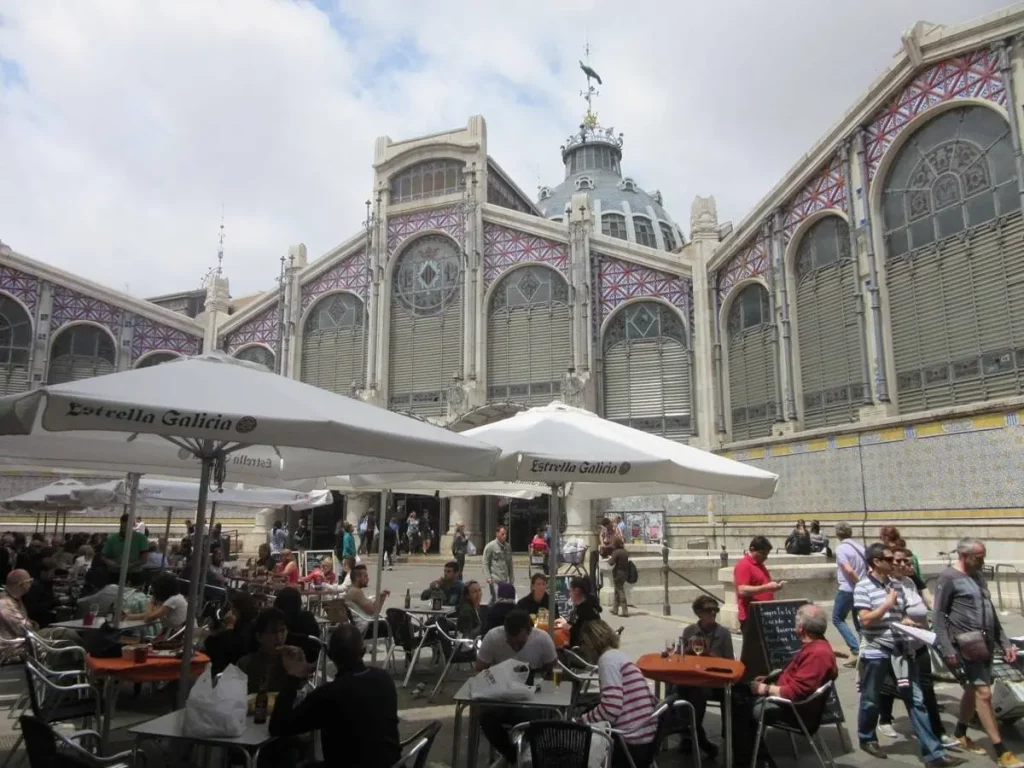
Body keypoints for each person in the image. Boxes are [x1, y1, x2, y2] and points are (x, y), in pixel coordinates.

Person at [854, 542, 963, 767]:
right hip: (877, 651)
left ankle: (933, 753)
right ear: (876, 562)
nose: (894, 562)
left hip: (901, 651)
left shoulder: (897, 585)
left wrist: (908, 622)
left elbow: (900, 614)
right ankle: (867, 737)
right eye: (888, 558)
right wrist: (886, 605)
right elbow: (864, 619)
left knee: (916, 700)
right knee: (871, 699)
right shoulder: (863, 587)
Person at [934, 537, 1023, 767]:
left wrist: (1004, 642)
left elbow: (990, 611)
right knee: (984, 694)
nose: (983, 561)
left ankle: (960, 733)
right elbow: (938, 616)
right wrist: (946, 647)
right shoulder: (948, 578)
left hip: (986, 644)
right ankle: (1001, 750)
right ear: (964, 556)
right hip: (965, 645)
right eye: (979, 557)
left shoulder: (978, 576)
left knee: (973, 689)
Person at [270, 623, 401, 768]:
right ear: (363, 652)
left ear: (330, 655)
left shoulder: (329, 694)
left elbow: (278, 727)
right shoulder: (384, 679)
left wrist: (293, 677)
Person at [874, 548, 958, 749]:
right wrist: (902, 618)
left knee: (926, 690)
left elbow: (929, 603)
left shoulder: (911, 582)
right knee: (892, 688)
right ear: (888, 562)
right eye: (899, 561)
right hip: (897, 647)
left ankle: (938, 733)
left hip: (919, 644)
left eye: (906, 561)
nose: (905, 565)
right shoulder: (885, 586)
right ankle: (883, 722)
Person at [737, 604, 838, 767]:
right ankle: (753, 754)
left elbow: (795, 692)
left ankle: (754, 759)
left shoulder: (818, 655)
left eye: (796, 623)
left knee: (741, 706)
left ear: (801, 628)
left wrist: (765, 689)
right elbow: (797, 678)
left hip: (796, 712)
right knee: (739, 690)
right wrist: (771, 679)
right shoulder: (816, 645)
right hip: (794, 704)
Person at [476, 610, 558, 763]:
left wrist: (544, 681)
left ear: (530, 632)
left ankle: (523, 756)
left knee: (531, 721)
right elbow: (480, 669)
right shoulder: (494, 636)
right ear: (504, 631)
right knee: (485, 718)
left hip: (530, 699)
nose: (515, 646)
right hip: (500, 695)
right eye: (510, 642)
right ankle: (515, 757)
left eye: (520, 643)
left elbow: (553, 668)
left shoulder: (541, 638)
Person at [578, 619, 659, 768]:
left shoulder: (607, 661)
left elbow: (611, 708)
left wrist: (582, 720)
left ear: (590, 643)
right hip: (646, 739)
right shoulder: (619, 656)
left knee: (578, 747)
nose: (583, 651)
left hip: (629, 743)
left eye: (583, 645)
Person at [674, 595, 733, 759]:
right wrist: (684, 651)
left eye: (716, 610)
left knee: (695, 695)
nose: (713, 613)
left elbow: (730, 664)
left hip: (715, 682)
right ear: (699, 613)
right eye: (709, 610)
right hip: (693, 678)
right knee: (675, 690)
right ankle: (689, 734)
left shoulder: (723, 633)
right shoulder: (689, 631)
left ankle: (693, 737)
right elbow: (682, 661)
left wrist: (709, 655)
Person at [0, 569, 79, 645]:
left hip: (28, 637)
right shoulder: (5, 603)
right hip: (21, 643)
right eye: (30, 581)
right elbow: (23, 628)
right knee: (66, 633)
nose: (31, 584)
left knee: (68, 636)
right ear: (21, 584)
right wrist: (34, 625)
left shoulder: (16, 598)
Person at [734, 536, 785, 632]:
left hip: (764, 614)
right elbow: (742, 590)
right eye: (763, 553)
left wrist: (773, 588)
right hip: (751, 617)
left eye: (767, 554)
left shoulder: (759, 564)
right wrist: (766, 587)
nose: (766, 557)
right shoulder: (744, 565)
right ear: (753, 549)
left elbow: (761, 584)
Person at [832, 522, 865, 668]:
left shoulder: (841, 549)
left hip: (848, 588)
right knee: (859, 620)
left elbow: (848, 569)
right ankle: (865, 650)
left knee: (837, 618)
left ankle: (855, 650)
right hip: (861, 589)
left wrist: (858, 583)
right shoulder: (860, 547)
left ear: (837, 534)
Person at [237, 608, 292, 694]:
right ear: (259, 637)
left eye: (282, 630)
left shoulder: (291, 661)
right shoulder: (245, 664)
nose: (279, 637)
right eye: (273, 632)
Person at [206, 592, 258, 674]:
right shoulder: (248, 625)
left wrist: (229, 627)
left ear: (236, 611)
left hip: (225, 673)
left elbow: (232, 652)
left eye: (231, 608)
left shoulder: (245, 629)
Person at [125, 571, 190, 636]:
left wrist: (152, 602)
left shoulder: (172, 601)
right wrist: (129, 616)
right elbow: (153, 614)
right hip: (180, 632)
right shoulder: (175, 597)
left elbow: (147, 618)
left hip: (184, 636)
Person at [343, 563, 390, 639]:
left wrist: (381, 596)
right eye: (365, 576)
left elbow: (374, 610)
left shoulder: (352, 590)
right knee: (395, 622)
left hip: (366, 625)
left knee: (395, 622)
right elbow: (373, 610)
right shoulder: (356, 592)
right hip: (366, 628)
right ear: (358, 578)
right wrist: (381, 597)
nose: (368, 579)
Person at [556, 575, 602, 650]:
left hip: (583, 649)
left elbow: (577, 632)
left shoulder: (583, 610)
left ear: (576, 591)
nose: (569, 594)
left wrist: (566, 626)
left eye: (570, 591)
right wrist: (565, 623)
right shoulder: (589, 604)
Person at [482, 525, 514, 601]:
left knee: (502, 599)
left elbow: (509, 563)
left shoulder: (508, 546)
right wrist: (488, 577)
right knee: (497, 599)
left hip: (504, 579)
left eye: (506, 534)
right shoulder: (490, 546)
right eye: (502, 534)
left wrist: (511, 576)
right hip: (495, 579)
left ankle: (490, 610)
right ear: (497, 534)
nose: (504, 536)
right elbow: (485, 562)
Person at [609, 536, 630, 617]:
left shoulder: (616, 552)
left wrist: (608, 559)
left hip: (618, 573)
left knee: (620, 591)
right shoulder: (625, 551)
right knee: (617, 591)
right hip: (625, 573)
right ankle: (615, 609)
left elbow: (611, 562)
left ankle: (625, 611)